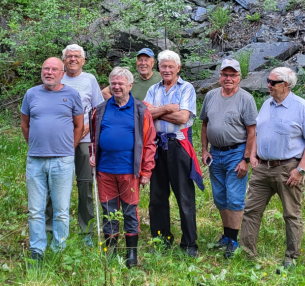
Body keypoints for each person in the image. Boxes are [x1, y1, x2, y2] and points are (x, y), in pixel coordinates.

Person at [239, 67, 305, 274]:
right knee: (251, 211)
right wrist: (254, 156)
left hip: (287, 169)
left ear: (286, 85)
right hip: (262, 169)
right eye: (268, 81)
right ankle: (247, 254)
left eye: (272, 82)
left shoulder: (301, 107)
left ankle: (291, 260)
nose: (268, 85)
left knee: (291, 215)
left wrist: (300, 170)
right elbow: (258, 132)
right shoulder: (266, 104)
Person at [89, 67, 156, 268]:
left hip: (129, 171)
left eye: (121, 83)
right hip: (105, 170)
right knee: (108, 210)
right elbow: (93, 138)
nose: (116, 87)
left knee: (129, 211)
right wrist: (93, 155)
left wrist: (146, 171)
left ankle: (131, 255)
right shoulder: (99, 110)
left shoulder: (140, 110)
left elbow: (149, 142)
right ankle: (110, 252)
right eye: (113, 83)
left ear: (130, 86)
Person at [21, 57, 84, 262]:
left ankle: (59, 248)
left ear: (62, 73)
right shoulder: (31, 94)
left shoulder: (72, 94)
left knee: (61, 210)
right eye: (45, 69)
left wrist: (68, 148)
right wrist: (35, 145)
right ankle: (37, 248)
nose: (49, 72)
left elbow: (79, 126)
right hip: (35, 160)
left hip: (63, 160)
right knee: (35, 209)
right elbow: (25, 125)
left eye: (54, 69)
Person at [144, 50, 203, 257]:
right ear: (158, 68)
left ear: (178, 68)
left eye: (171, 66)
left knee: (184, 196)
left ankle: (189, 244)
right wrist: (169, 108)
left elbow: (183, 118)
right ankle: (161, 240)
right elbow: (146, 114)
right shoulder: (153, 88)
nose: (167, 70)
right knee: (157, 196)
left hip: (178, 146)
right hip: (157, 146)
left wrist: (158, 110)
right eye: (163, 66)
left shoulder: (187, 88)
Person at [44, 44, 104, 247]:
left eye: (77, 56)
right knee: (55, 185)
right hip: (59, 142)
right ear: (63, 60)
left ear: (83, 60)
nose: (72, 59)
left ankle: (86, 230)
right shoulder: (56, 78)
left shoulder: (89, 80)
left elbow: (97, 109)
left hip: (85, 141)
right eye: (68, 56)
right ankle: (52, 228)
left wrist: (87, 127)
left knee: (85, 185)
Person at [199, 59, 258, 259]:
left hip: (236, 153)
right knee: (220, 197)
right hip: (215, 154)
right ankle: (227, 235)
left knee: (234, 197)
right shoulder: (211, 96)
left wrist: (246, 159)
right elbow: (205, 125)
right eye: (225, 74)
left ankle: (233, 241)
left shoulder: (246, 99)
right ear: (220, 76)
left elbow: (252, 133)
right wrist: (204, 150)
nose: (228, 78)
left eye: (232, 75)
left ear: (239, 77)